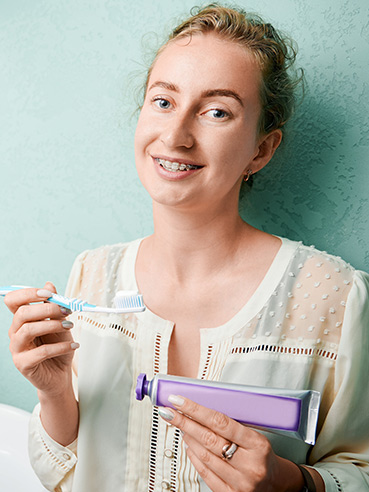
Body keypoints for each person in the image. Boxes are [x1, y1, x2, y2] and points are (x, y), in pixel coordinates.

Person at [5, 4, 369, 492]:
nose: (175, 137)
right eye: (162, 102)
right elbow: (65, 468)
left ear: (261, 150)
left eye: (217, 111)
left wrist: (290, 483)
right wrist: (53, 395)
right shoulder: (92, 275)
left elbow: (360, 469)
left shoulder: (334, 298)